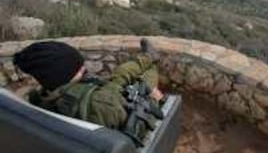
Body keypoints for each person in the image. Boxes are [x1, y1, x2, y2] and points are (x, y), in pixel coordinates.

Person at [13, 38, 164, 130]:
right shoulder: (103, 104)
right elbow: (140, 126)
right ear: (61, 77)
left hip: (93, 101)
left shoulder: (40, 100)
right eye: (79, 70)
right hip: (106, 103)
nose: (84, 69)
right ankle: (151, 60)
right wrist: (153, 100)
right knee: (138, 75)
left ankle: (149, 56)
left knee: (120, 75)